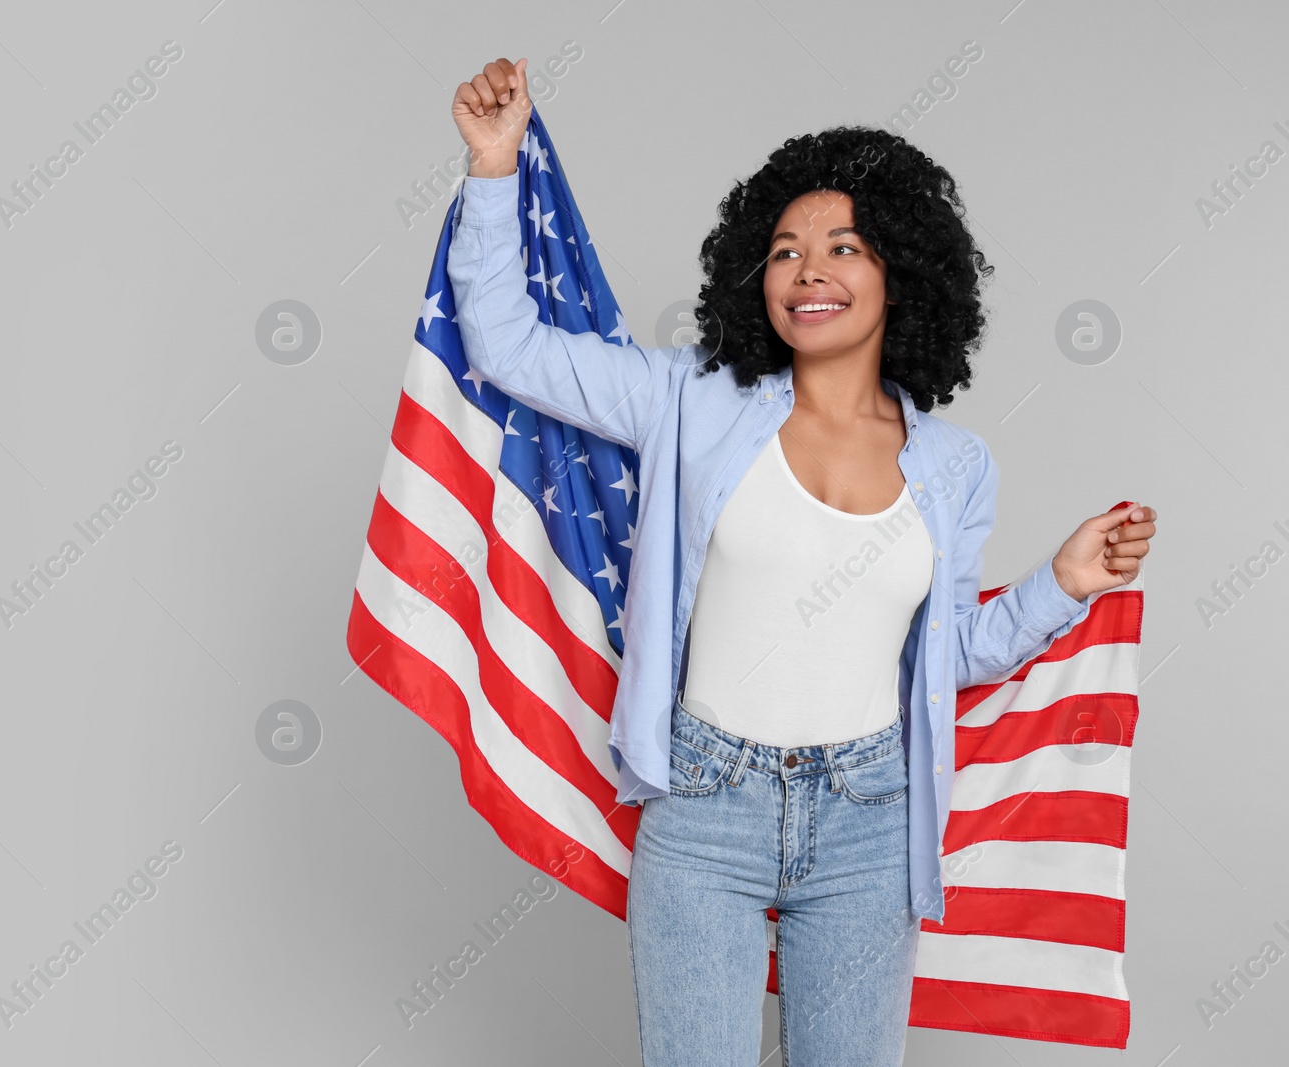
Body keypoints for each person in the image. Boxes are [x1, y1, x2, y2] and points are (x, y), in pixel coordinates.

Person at [446, 57, 1158, 1066]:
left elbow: (945, 654)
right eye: (783, 250)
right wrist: (493, 169)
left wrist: (1063, 583)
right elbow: (509, 347)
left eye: (842, 247)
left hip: (870, 820)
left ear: (899, 273)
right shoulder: (689, 398)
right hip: (703, 805)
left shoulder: (955, 466)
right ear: (755, 274)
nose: (807, 268)